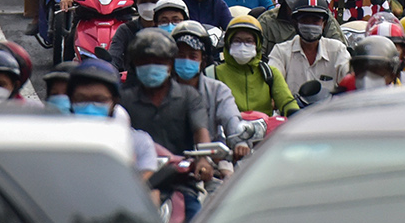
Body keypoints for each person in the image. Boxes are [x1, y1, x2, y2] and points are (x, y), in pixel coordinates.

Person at [119, 28, 212, 167]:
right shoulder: (124, 100)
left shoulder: (188, 96)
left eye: (158, 62)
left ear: (170, 65)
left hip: (183, 174)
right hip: (137, 177)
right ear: (135, 65)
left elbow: (200, 130)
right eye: (144, 62)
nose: (151, 66)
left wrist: (204, 159)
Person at [64, 57, 159, 175]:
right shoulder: (56, 142)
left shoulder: (138, 144)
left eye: (99, 100)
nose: (90, 105)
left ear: (114, 102)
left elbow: (144, 184)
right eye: (81, 99)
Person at [171, 20, 251, 158]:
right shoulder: (162, 91)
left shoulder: (218, 90)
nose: (186, 60)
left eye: (193, 56)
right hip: (170, 160)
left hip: (214, 159)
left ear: (203, 60)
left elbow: (231, 119)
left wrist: (240, 143)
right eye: (180, 55)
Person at [211, 11, 299, 117]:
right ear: (228, 43)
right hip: (226, 130)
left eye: (249, 41)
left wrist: (294, 114)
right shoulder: (213, 74)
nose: (242, 46)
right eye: (237, 41)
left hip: (265, 131)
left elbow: (286, 101)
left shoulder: (269, 73)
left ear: (257, 45)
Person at [268, 0, 350, 100]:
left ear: (324, 24)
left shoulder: (337, 49)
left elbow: (349, 79)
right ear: (296, 23)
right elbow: (273, 85)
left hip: (329, 113)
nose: (310, 25)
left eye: (315, 21)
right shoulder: (281, 52)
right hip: (292, 113)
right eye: (305, 20)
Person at [341, 35, 405, 91]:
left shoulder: (400, 97)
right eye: (360, 68)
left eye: (376, 70)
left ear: (393, 74)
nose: (366, 77)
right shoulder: (345, 90)